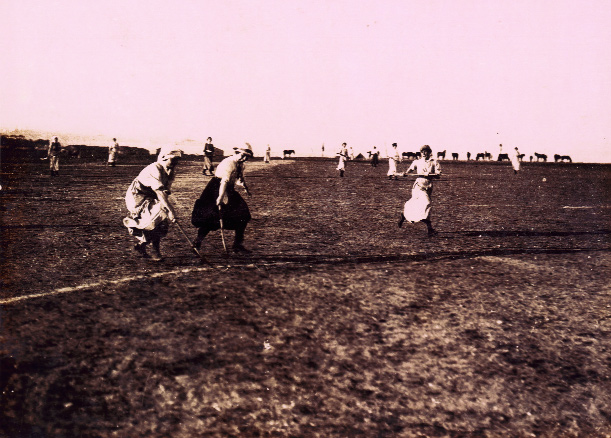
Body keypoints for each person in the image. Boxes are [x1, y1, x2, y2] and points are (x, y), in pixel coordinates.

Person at [123, 146, 183, 260]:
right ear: (164, 158)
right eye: (173, 159)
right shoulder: (154, 169)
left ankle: (142, 246)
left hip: (151, 197)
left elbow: (164, 192)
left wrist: (166, 207)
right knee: (157, 218)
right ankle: (153, 250)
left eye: (177, 160)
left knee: (161, 220)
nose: (176, 162)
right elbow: (159, 192)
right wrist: (171, 211)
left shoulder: (170, 172)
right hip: (137, 197)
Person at [191, 143, 254, 253]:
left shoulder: (240, 164)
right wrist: (220, 197)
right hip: (215, 189)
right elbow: (223, 181)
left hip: (228, 189)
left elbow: (239, 178)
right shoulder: (229, 163)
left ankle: (237, 245)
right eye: (243, 155)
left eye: (247, 157)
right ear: (237, 152)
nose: (245, 158)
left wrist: (245, 188)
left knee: (243, 214)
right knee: (211, 217)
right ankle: (197, 242)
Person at [398, 144, 441, 236]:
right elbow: (409, 170)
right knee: (427, 203)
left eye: (426, 151)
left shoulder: (434, 162)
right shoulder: (417, 162)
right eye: (422, 152)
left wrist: (432, 174)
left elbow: (438, 174)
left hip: (428, 185)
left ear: (429, 152)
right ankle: (429, 228)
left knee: (419, 204)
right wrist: (405, 173)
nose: (424, 153)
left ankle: (404, 215)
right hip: (419, 185)